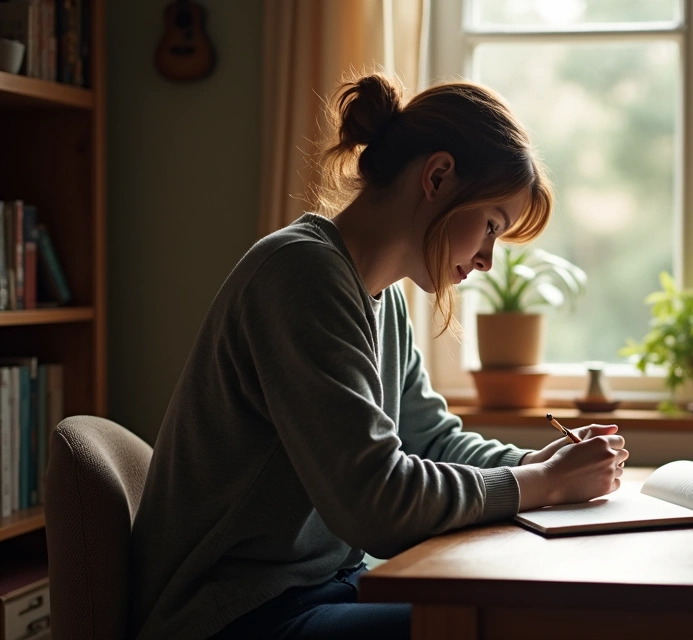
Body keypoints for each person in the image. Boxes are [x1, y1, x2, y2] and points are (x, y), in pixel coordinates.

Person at [127, 72, 629, 640]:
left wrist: (545, 463)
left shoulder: (379, 297)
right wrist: (541, 482)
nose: (488, 259)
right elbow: (377, 506)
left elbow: (432, 440)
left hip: (322, 589)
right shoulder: (301, 275)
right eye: (490, 226)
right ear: (437, 177)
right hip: (231, 615)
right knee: (509, 623)